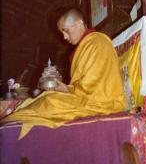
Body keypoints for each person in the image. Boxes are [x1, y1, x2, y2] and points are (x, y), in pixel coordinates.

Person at [2, 8, 126, 138]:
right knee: (47, 98)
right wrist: (62, 87)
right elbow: (84, 85)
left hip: (103, 103)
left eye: (66, 31)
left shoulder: (97, 43)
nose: (64, 37)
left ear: (79, 23)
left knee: (50, 101)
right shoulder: (86, 45)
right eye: (62, 32)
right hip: (89, 99)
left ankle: (11, 129)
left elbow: (95, 88)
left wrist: (66, 89)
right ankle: (13, 124)